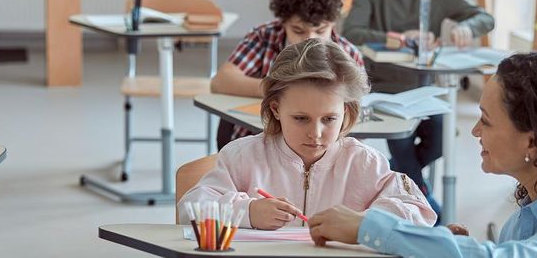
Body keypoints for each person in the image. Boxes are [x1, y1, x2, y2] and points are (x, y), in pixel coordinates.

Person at [308, 52, 537, 257]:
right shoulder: (524, 219)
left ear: (533, 142)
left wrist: (379, 229)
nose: (475, 132)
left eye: (485, 121)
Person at [180, 39, 436, 229]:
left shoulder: (364, 162)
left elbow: (420, 211)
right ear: (276, 108)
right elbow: (189, 209)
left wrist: (361, 222)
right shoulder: (242, 156)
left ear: (346, 112)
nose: (315, 133)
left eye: (329, 119)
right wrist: (248, 211)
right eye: (301, 118)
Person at [342, 0, 496, 212]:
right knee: (401, 138)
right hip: (382, 91)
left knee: (441, 136)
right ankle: (425, 202)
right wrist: (397, 39)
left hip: (424, 91)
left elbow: (484, 17)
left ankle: (394, 174)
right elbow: (351, 32)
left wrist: (468, 28)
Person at [210, 0, 364, 149]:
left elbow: (352, 122)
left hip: (317, 153)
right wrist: (283, 92)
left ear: (333, 22)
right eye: (298, 30)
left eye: (320, 30)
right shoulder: (264, 38)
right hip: (256, 145)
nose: (310, 39)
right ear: (283, 21)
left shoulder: (349, 54)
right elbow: (221, 81)